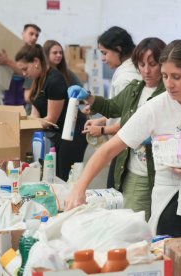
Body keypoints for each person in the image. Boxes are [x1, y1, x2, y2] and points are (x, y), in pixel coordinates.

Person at [64, 40, 181, 238]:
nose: (169, 84)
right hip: (173, 201)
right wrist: (79, 189)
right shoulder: (155, 107)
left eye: (177, 77)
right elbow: (109, 149)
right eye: (165, 76)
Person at [69, 37, 166, 221]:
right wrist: (88, 97)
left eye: (152, 64)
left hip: (152, 170)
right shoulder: (135, 88)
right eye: (142, 64)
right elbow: (112, 106)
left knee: (138, 223)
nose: (146, 70)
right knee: (132, 219)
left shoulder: (166, 94)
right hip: (130, 167)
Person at [15, 44, 88, 181]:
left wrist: (23, 126)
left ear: (36, 62)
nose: (24, 74)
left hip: (73, 131)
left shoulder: (54, 80)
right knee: (55, 175)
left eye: (25, 69)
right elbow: (35, 115)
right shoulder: (37, 80)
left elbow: (50, 119)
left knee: (66, 176)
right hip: (59, 132)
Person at [85, 26, 141, 189]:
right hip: (122, 140)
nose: (102, 58)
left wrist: (103, 130)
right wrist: (102, 121)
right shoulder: (126, 71)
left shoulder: (127, 77)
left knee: (116, 190)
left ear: (118, 49)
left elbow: (131, 120)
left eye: (104, 53)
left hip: (124, 144)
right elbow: (119, 108)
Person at [0, 24, 41, 106]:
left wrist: (7, 62)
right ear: (23, 34)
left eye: (36, 35)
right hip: (9, 86)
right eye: (31, 34)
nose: (34, 38)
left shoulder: (37, 53)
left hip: (25, 88)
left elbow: (25, 73)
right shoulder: (11, 48)